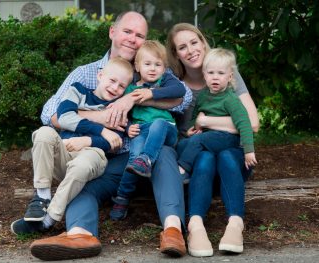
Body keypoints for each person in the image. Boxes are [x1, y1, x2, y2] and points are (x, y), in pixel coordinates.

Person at [10, 11, 192, 261]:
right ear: (112, 32)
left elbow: (185, 99)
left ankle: (173, 231)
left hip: (147, 157)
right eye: (127, 31)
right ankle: (80, 234)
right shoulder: (87, 73)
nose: (132, 39)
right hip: (108, 158)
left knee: (165, 152)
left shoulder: (150, 68)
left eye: (140, 35)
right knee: (83, 181)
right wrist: (102, 117)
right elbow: (50, 113)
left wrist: (135, 97)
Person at [166, 23, 259, 257]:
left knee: (227, 155)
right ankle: (195, 226)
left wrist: (206, 123)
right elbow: (182, 129)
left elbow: (252, 123)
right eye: (182, 47)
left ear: (203, 42)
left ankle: (235, 225)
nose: (191, 50)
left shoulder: (227, 73)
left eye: (194, 42)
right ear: (176, 54)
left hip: (233, 162)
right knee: (206, 157)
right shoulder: (175, 84)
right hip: (199, 165)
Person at [11, 57, 134, 233]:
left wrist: (86, 140)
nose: (115, 88)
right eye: (112, 81)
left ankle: (48, 220)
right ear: (100, 75)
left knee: (83, 164)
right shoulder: (78, 90)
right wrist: (102, 130)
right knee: (43, 133)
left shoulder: (118, 110)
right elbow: (64, 117)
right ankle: (42, 198)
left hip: (93, 156)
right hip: (65, 151)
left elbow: (114, 143)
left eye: (121, 86)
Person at [110, 40, 186, 221]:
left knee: (158, 123)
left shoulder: (164, 81)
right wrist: (128, 127)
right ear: (137, 66)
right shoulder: (130, 88)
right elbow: (124, 114)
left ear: (164, 67)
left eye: (158, 65)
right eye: (147, 64)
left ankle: (146, 159)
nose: (153, 69)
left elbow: (180, 89)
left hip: (166, 129)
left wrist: (152, 93)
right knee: (133, 156)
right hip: (141, 129)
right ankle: (122, 197)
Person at [177, 48, 257, 177]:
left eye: (220, 73)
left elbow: (245, 124)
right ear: (204, 74)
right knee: (182, 144)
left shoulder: (230, 99)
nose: (215, 77)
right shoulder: (203, 95)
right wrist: (192, 127)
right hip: (210, 137)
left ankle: (182, 169)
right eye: (211, 73)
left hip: (227, 137)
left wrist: (249, 151)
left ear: (230, 76)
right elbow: (196, 115)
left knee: (198, 140)